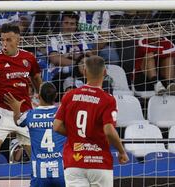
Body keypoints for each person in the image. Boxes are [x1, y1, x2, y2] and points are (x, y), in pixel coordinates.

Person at [0, 23, 42, 187]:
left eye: (8, 40)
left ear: (18, 40)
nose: (4, 43)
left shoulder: (29, 58)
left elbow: (37, 79)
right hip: (1, 111)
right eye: (2, 40)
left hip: (24, 112)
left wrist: (42, 97)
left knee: (36, 155)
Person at [53, 56, 129, 187]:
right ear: (105, 72)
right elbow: (109, 130)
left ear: (84, 71)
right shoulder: (108, 99)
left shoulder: (70, 95)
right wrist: (122, 151)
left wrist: (75, 135)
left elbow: (57, 126)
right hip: (99, 161)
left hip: (74, 160)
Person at [4, 82, 66, 187]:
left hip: (39, 173)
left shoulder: (30, 114)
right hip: (61, 172)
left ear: (38, 96)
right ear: (56, 96)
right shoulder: (62, 114)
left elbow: (17, 121)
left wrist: (16, 109)